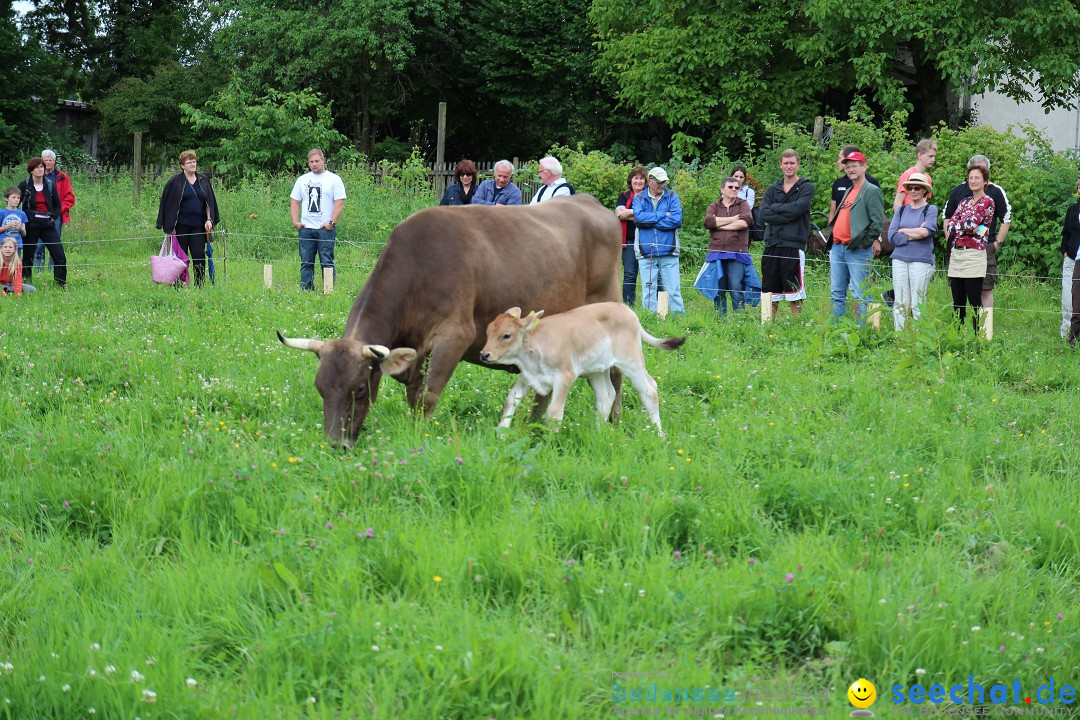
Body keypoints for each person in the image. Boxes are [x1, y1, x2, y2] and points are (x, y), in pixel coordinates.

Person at [942, 155, 1011, 311]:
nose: (973, 180)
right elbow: (948, 218)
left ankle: (985, 331)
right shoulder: (959, 193)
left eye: (979, 175)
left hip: (984, 247)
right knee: (958, 295)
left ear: (986, 176)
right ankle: (961, 332)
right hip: (958, 250)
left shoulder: (993, 194)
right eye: (971, 176)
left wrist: (996, 243)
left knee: (984, 290)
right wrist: (953, 237)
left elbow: (1003, 218)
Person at [829, 150, 885, 324]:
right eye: (848, 166)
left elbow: (877, 222)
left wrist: (864, 242)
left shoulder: (871, 190)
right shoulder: (849, 190)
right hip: (838, 248)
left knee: (860, 294)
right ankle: (837, 330)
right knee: (837, 293)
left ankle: (863, 332)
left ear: (864, 167)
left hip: (856, 249)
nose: (850, 169)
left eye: (854, 166)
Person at [759, 149, 814, 316]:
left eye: (792, 163)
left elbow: (798, 209)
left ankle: (797, 328)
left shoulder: (805, 187)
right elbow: (763, 214)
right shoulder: (772, 189)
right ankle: (767, 326)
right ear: (780, 165)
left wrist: (775, 209)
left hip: (794, 244)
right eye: (786, 163)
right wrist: (788, 214)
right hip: (772, 243)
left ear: (798, 164)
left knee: (794, 291)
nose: (789, 166)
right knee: (770, 290)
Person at [155, 151, 220, 287]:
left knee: (199, 256)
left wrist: (209, 220)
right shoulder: (175, 182)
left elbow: (208, 202)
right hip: (180, 227)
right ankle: (179, 285)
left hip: (198, 226)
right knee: (180, 259)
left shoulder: (203, 180)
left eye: (194, 161)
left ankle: (199, 285)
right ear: (182, 166)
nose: (193, 164)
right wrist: (169, 226)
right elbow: (167, 203)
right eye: (189, 162)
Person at [945, 165, 995, 331]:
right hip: (957, 254)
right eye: (970, 178)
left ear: (985, 181)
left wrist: (966, 226)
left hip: (974, 255)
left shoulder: (988, 202)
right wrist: (966, 228)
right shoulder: (963, 201)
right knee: (957, 301)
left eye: (977, 178)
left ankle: (979, 337)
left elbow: (973, 223)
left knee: (974, 300)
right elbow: (950, 225)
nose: (973, 181)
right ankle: (957, 336)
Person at [290, 148, 346, 291]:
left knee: (327, 261)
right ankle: (306, 290)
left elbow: (339, 203)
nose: (314, 164)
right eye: (311, 162)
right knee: (306, 262)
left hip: (324, 229)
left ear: (323, 160)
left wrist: (331, 223)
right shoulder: (302, 180)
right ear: (308, 163)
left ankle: (328, 290)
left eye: (317, 161)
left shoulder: (334, 179)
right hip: (306, 229)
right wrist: (295, 222)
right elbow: (295, 201)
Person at [887, 172, 938, 330]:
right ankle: (899, 337)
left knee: (918, 301)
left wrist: (903, 231)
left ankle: (918, 339)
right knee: (900, 301)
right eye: (910, 188)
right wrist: (913, 233)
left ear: (924, 190)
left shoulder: (930, 209)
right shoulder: (901, 211)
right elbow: (892, 236)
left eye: (917, 188)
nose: (913, 191)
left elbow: (926, 232)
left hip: (921, 260)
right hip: (899, 259)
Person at [632, 166, 684, 314]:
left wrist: (650, 220)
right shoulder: (639, 198)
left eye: (664, 182)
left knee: (674, 289)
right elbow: (639, 219)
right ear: (650, 181)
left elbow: (676, 220)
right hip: (646, 251)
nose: (663, 185)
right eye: (659, 182)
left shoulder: (672, 196)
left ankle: (680, 320)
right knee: (648, 290)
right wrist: (663, 214)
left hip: (669, 250)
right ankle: (650, 320)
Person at [704, 176, 754, 314]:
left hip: (737, 252)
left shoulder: (743, 204)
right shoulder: (714, 206)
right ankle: (721, 320)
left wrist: (720, 225)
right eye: (730, 187)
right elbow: (709, 222)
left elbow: (745, 222)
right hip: (716, 252)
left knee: (735, 286)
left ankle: (739, 318)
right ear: (722, 189)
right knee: (718, 287)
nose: (734, 190)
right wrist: (733, 219)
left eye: (736, 187)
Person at [17, 157, 66, 288]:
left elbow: (57, 206)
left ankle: (60, 285)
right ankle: (26, 284)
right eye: (37, 167)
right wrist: (20, 218)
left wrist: (53, 217)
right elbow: (15, 201)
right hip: (31, 225)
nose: (40, 169)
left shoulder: (49, 184)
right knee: (28, 256)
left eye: (42, 167)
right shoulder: (24, 185)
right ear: (31, 170)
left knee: (59, 255)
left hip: (47, 225)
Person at [35, 149, 76, 271]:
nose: (47, 162)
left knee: (54, 244)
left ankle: (52, 271)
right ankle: (38, 271)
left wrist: (59, 210)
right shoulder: (36, 175)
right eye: (45, 160)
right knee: (38, 245)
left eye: (50, 160)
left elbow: (70, 197)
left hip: (56, 216)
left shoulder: (62, 177)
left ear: (54, 161)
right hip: (39, 215)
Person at [614, 165, 648, 305]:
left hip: (647, 240)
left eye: (641, 179)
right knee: (629, 274)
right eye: (636, 178)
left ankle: (655, 306)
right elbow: (619, 214)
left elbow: (651, 215)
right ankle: (628, 305)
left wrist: (631, 213)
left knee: (653, 276)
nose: (638, 181)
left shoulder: (649, 197)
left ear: (646, 181)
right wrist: (640, 215)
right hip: (628, 241)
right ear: (631, 180)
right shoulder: (624, 196)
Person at [828, 145, 881, 225]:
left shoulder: (871, 184)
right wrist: (831, 232)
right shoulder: (838, 183)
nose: (838, 162)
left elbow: (876, 216)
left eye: (840, 158)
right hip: (839, 234)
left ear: (863, 166)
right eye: (849, 167)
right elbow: (832, 211)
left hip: (860, 234)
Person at [1059, 173, 1080, 339]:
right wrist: (1065, 252)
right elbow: (1065, 233)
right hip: (1072, 258)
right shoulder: (1072, 210)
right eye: (1079, 187)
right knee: (1068, 298)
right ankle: (1066, 334)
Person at [893, 139, 937, 212]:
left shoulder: (928, 178)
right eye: (930, 156)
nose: (933, 160)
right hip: (906, 217)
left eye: (934, 156)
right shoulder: (908, 175)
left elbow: (924, 203)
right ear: (919, 155)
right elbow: (897, 204)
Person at [2, 187, 27, 252]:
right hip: (3, 245)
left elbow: (24, 233)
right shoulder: (2, 212)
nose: (16, 200)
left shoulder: (22, 213)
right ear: (6, 198)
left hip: (17, 244)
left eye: (18, 198)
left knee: (15, 262)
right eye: (13, 197)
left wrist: (21, 228)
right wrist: (8, 226)